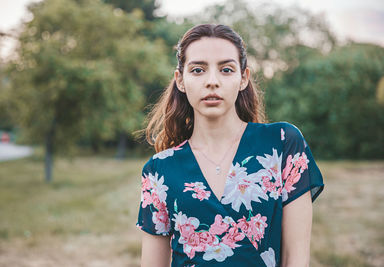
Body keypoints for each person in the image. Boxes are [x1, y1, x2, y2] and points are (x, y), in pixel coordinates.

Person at [136, 24, 324, 267]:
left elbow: (295, 258)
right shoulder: (159, 170)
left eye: (226, 69)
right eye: (197, 70)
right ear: (180, 80)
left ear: (243, 78)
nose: (212, 81)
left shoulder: (283, 143)